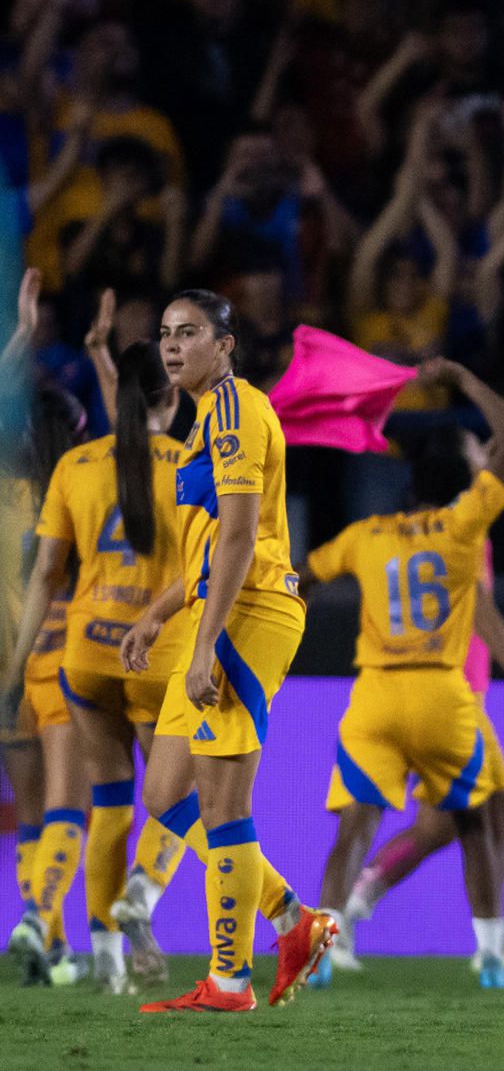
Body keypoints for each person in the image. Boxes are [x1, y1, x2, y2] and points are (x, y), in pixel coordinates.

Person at [119, 290, 337, 1013]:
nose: (173, 346)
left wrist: (207, 640)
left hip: (249, 611)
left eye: (190, 333)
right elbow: (205, 552)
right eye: (165, 334)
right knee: (163, 791)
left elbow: (241, 540)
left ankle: (230, 979)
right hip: (216, 609)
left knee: (223, 803)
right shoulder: (201, 423)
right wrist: (156, 616)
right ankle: (289, 917)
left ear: (226, 344)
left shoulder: (238, 411)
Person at [300, 358, 504, 990]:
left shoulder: (368, 532)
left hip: (374, 694)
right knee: (477, 822)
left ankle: (317, 950)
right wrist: (469, 381)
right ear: (464, 485)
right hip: (442, 691)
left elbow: (303, 580)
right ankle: (489, 955)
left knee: (354, 825)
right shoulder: (464, 528)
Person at [5, 342, 191, 993]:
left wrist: (20, 663)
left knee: (99, 804)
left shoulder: (75, 469)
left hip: (77, 658)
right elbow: (209, 568)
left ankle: (95, 955)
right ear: (173, 396)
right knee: (177, 799)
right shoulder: (192, 466)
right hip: (158, 656)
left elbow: (49, 573)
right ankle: (141, 891)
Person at [325, 577, 504, 981]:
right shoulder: (461, 532)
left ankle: (351, 906)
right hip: (450, 695)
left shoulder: (470, 537)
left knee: (456, 821)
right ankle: (489, 943)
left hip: (460, 692)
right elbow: (479, 612)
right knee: (479, 816)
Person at [2, 383, 86, 985]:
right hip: (61, 656)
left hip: (7, 671)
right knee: (70, 807)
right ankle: (41, 924)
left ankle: (50, 948)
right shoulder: (80, 490)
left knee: (32, 812)